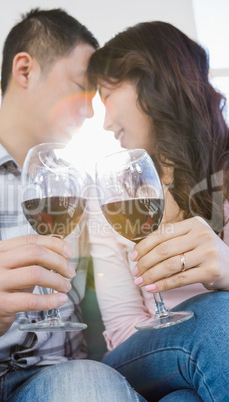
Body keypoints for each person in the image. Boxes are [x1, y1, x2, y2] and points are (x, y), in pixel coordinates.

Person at [0, 8, 146, 402]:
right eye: (81, 87)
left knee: (88, 387)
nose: (92, 111)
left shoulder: (85, 188)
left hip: (58, 381)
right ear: (25, 70)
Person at [87, 21, 229, 401]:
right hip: (143, 357)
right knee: (220, 320)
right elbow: (122, 329)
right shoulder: (113, 201)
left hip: (204, 373)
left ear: (151, 81)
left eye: (106, 96)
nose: (105, 123)